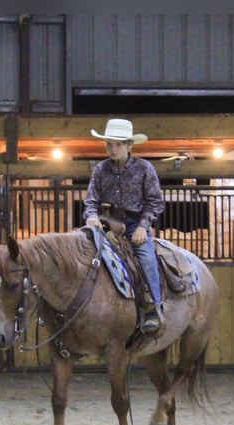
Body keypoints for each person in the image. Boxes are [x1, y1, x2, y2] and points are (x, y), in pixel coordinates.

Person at [84, 118, 165, 334]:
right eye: (109, 144)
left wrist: (143, 226)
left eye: (118, 144)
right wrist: (91, 216)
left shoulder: (144, 168)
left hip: (135, 223)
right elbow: (91, 200)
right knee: (85, 255)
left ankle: (153, 308)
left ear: (129, 145)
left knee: (146, 258)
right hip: (108, 223)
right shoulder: (100, 170)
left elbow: (155, 201)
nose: (112, 148)